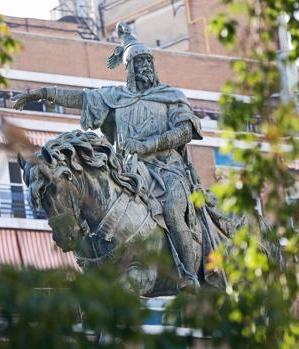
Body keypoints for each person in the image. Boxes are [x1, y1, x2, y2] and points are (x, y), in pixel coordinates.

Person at [13, 21, 207, 290]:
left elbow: (185, 130)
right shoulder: (116, 97)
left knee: (174, 212)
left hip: (167, 170)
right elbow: (81, 98)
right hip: (129, 170)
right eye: (139, 64)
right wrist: (45, 94)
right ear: (129, 70)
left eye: (148, 63)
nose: (146, 68)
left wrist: (150, 144)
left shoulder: (170, 96)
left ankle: (187, 276)